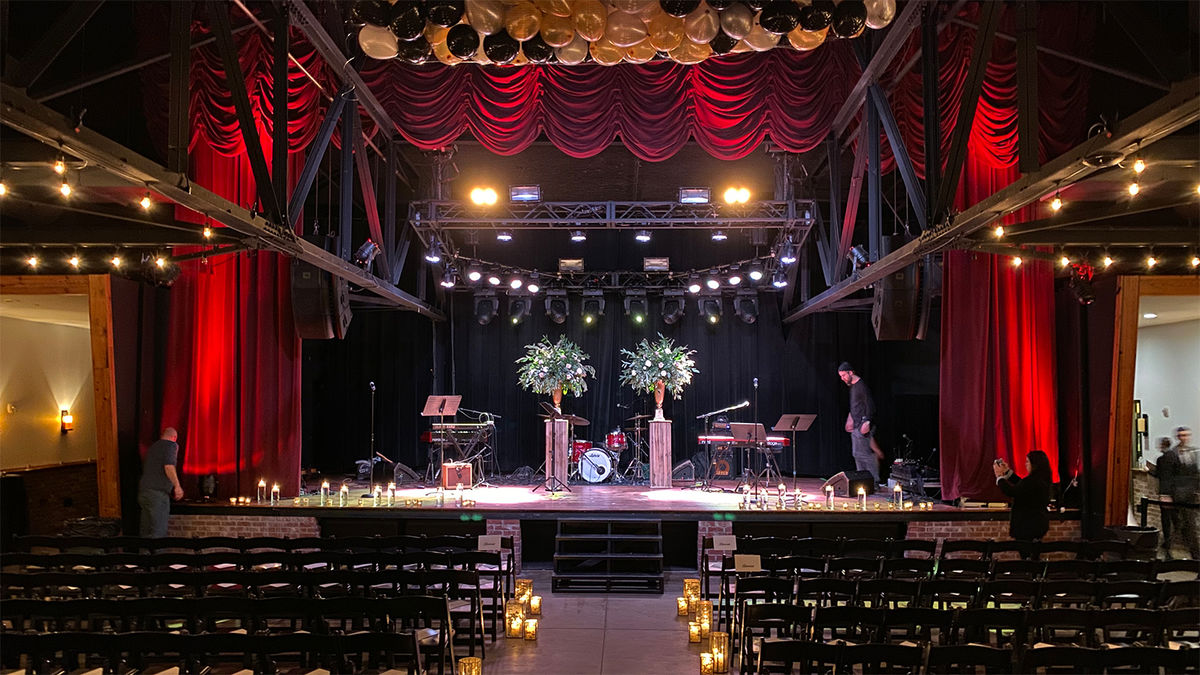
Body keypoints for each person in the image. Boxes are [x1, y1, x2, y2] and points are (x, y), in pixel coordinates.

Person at [1156, 426, 1199, 559]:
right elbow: (1167, 476)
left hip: (1189, 494)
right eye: (1181, 435)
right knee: (1179, 525)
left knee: (1187, 525)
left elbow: (1194, 473)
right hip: (1176, 494)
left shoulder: (1193, 452)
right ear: (1178, 437)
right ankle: (1171, 552)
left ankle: (1193, 554)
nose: (1184, 438)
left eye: (1186, 435)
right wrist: (1165, 494)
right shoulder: (1172, 454)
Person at [992, 450, 1053, 541]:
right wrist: (1007, 472)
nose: (1025, 464)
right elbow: (1022, 486)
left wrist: (999, 476)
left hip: (1027, 525)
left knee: (1027, 551)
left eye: (1027, 461)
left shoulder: (1033, 481)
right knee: (1032, 552)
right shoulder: (1040, 479)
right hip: (1036, 523)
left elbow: (1012, 491)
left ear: (1035, 464)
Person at [838, 362, 883, 483]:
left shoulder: (861, 386)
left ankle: (874, 481)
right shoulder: (852, 386)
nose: (843, 378)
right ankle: (864, 480)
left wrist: (867, 421)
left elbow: (870, 405)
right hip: (856, 424)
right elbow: (856, 405)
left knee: (865, 455)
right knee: (857, 454)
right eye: (841, 376)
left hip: (862, 425)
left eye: (844, 375)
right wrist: (850, 418)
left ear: (850, 372)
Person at [138, 427, 183, 537]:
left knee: (146, 530)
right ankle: (156, 553)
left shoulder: (153, 448)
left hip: (144, 492)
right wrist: (177, 486)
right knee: (158, 531)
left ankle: (144, 553)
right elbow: (169, 466)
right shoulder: (170, 445)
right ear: (174, 438)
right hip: (157, 494)